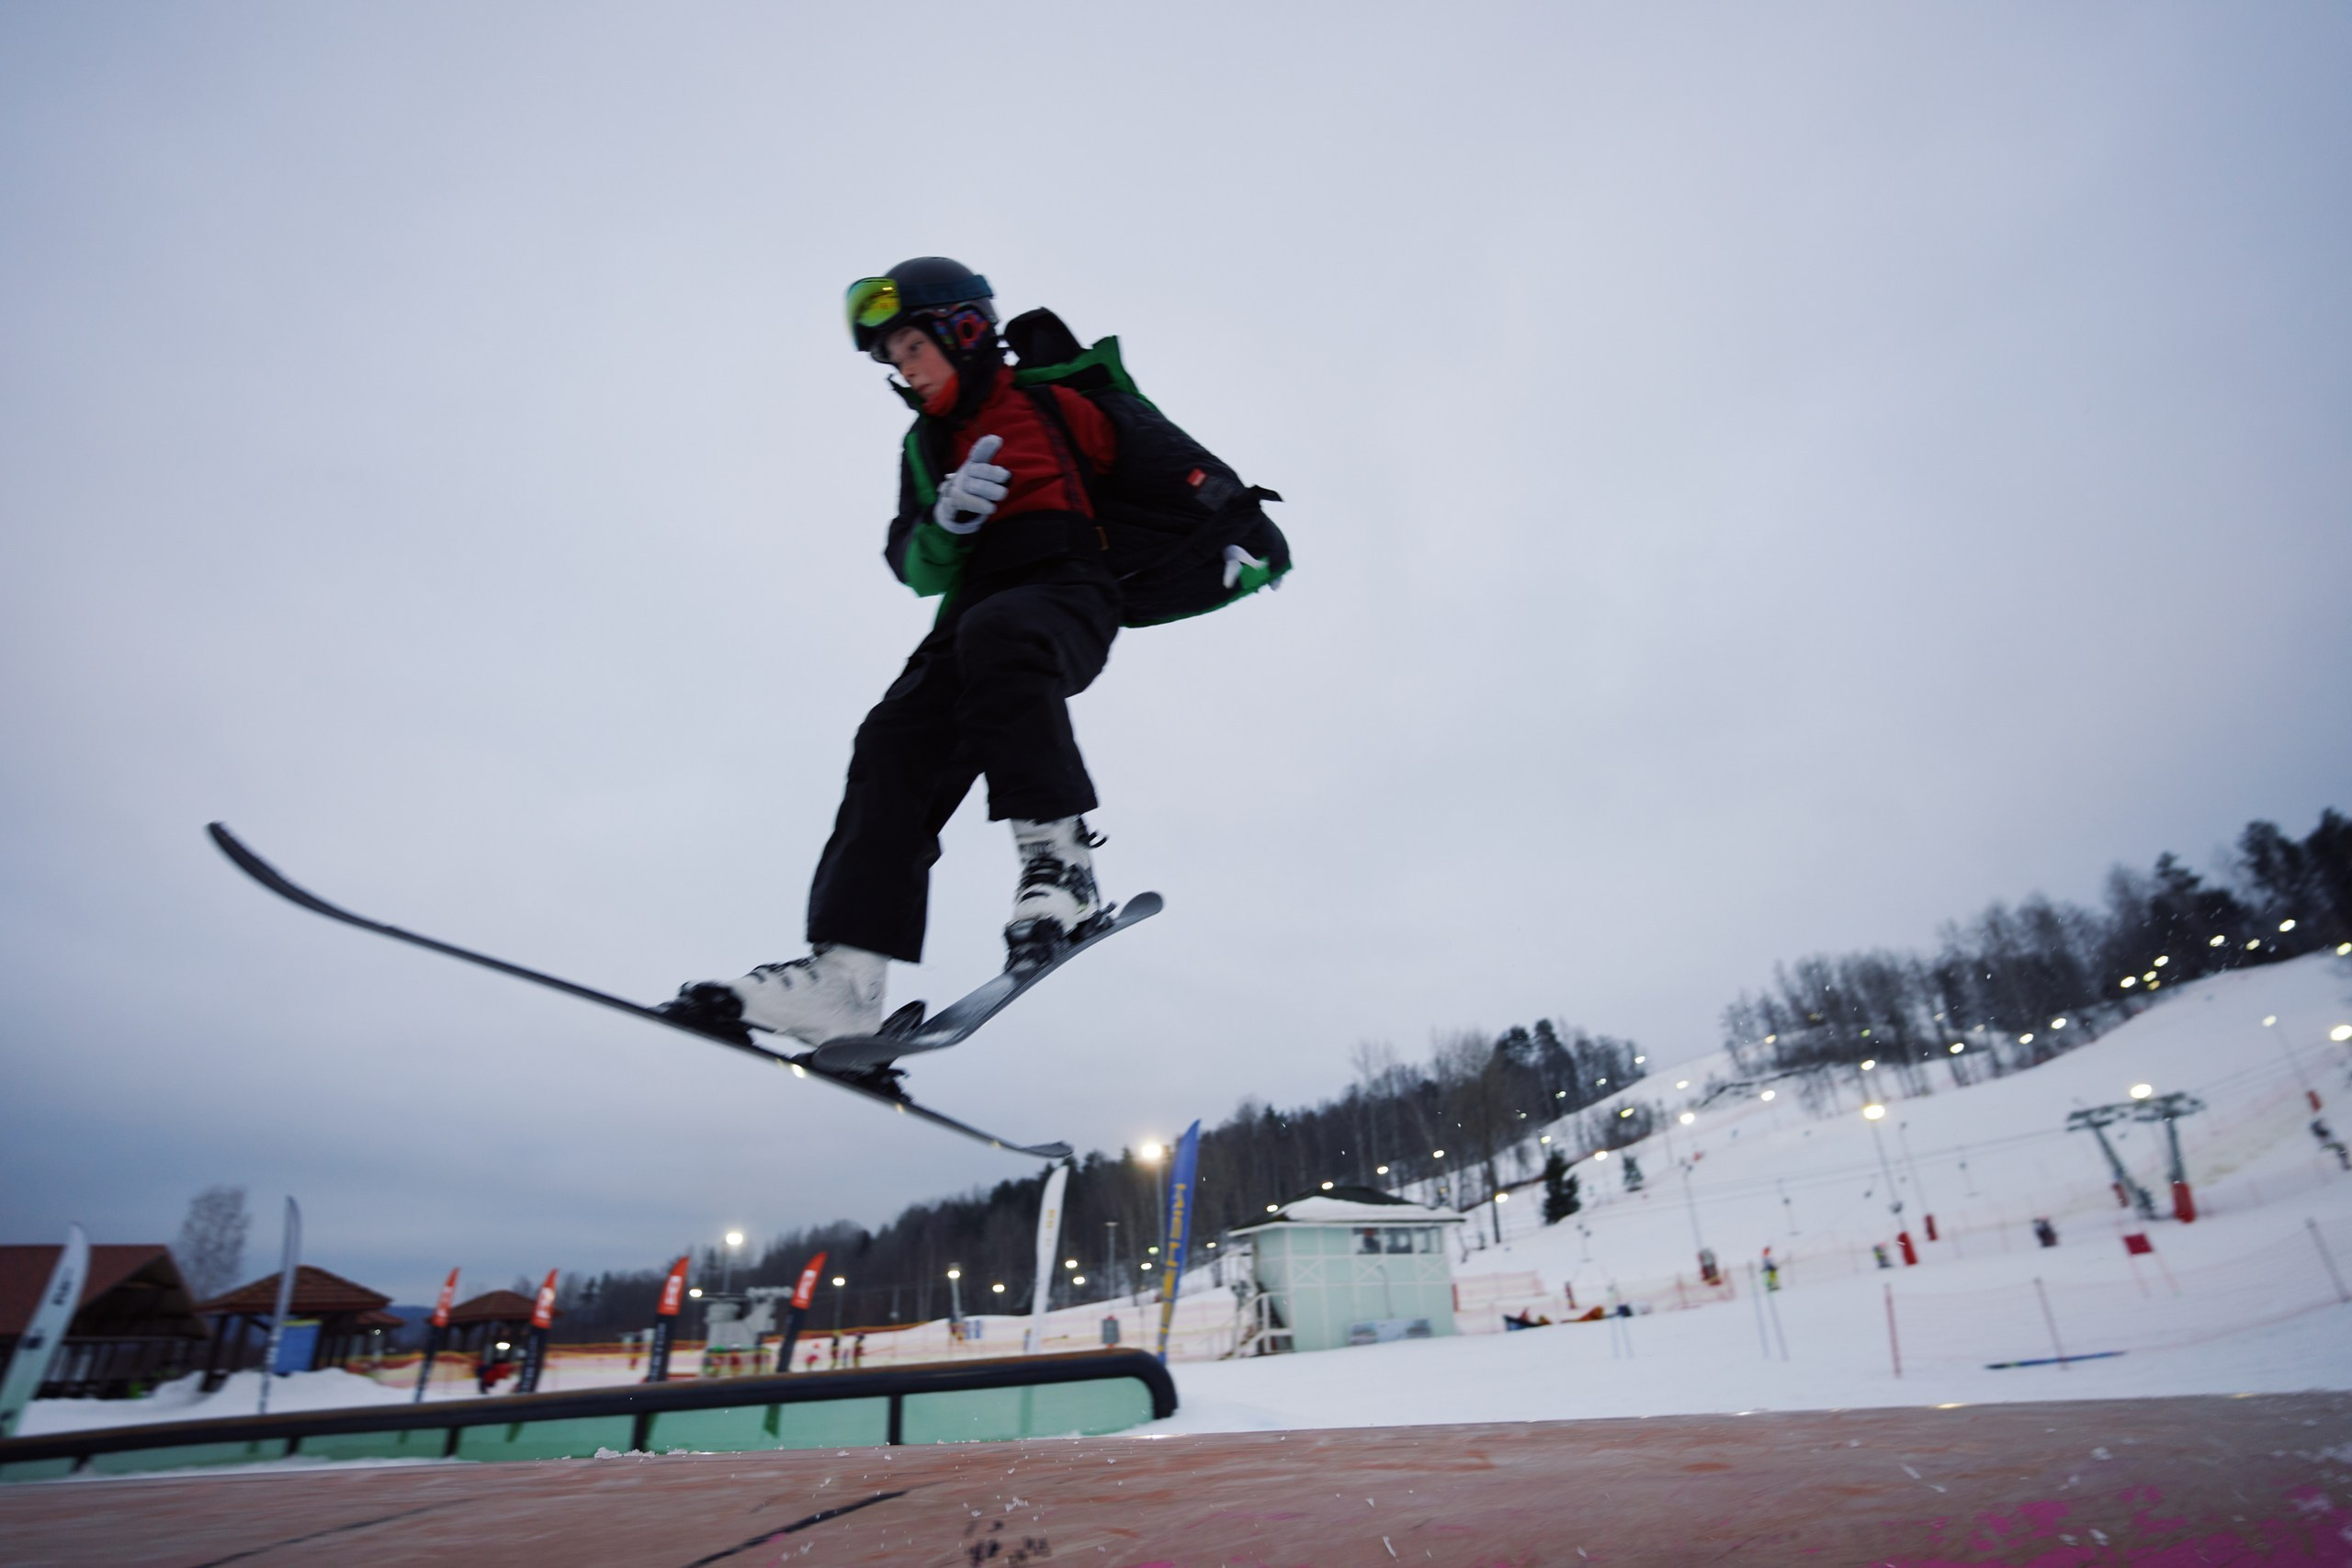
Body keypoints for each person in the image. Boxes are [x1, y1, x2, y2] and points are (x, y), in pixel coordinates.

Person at [658, 257, 1269, 1048]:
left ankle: (1062, 868)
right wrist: (943, 523)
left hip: (1067, 591)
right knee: (894, 736)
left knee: (1002, 636)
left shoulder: (1057, 405)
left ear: (967, 329)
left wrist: (1242, 537)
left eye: (914, 348)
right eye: (894, 362)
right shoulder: (927, 446)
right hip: (975, 610)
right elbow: (909, 560)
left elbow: (1177, 465)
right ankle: (847, 976)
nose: (905, 371)